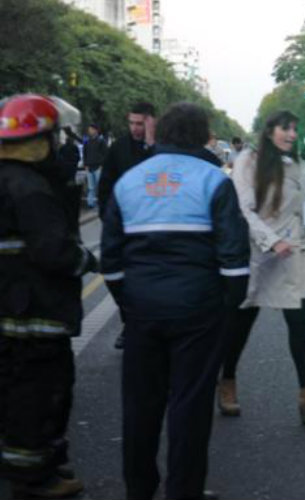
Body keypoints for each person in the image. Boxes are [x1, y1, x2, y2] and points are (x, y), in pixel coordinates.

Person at [100, 102, 249, 500]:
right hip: (198, 310)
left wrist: (128, 304)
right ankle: (184, 490)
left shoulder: (129, 181)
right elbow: (235, 260)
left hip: (142, 311)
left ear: (160, 134)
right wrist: (224, 307)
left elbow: (110, 260)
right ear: (203, 137)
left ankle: (140, 489)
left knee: (140, 407)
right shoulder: (215, 181)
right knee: (190, 406)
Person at [0, 94, 97, 498]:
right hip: (34, 314)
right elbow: (54, 251)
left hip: (11, 311)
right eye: (55, 138)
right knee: (41, 394)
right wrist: (86, 260)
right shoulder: (32, 188)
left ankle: (40, 464)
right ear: (39, 140)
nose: (60, 146)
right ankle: (35, 479)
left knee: (16, 392)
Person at [221, 110, 305, 423]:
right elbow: (245, 210)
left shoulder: (291, 163)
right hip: (260, 256)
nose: (291, 135)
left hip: (293, 253)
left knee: (299, 325)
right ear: (270, 130)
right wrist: (271, 241)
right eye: (286, 129)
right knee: (241, 326)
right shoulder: (248, 161)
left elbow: (294, 212)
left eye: (295, 129)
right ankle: (227, 381)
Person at [96, 102, 156, 350]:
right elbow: (106, 184)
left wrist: (152, 144)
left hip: (154, 227)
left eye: (140, 124)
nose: (135, 129)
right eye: (131, 123)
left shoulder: (162, 148)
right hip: (125, 226)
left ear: (151, 122)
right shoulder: (119, 148)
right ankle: (128, 323)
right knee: (118, 277)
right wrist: (106, 217)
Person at [82, 124, 107, 209]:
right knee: (91, 187)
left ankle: (101, 203)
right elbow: (85, 154)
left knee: (99, 186)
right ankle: (90, 203)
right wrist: (85, 165)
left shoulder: (101, 141)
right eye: (89, 129)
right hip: (89, 167)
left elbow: (105, 154)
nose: (90, 131)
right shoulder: (87, 142)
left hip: (98, 167)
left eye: (91, 129)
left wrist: (102, 165)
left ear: (96, 130)